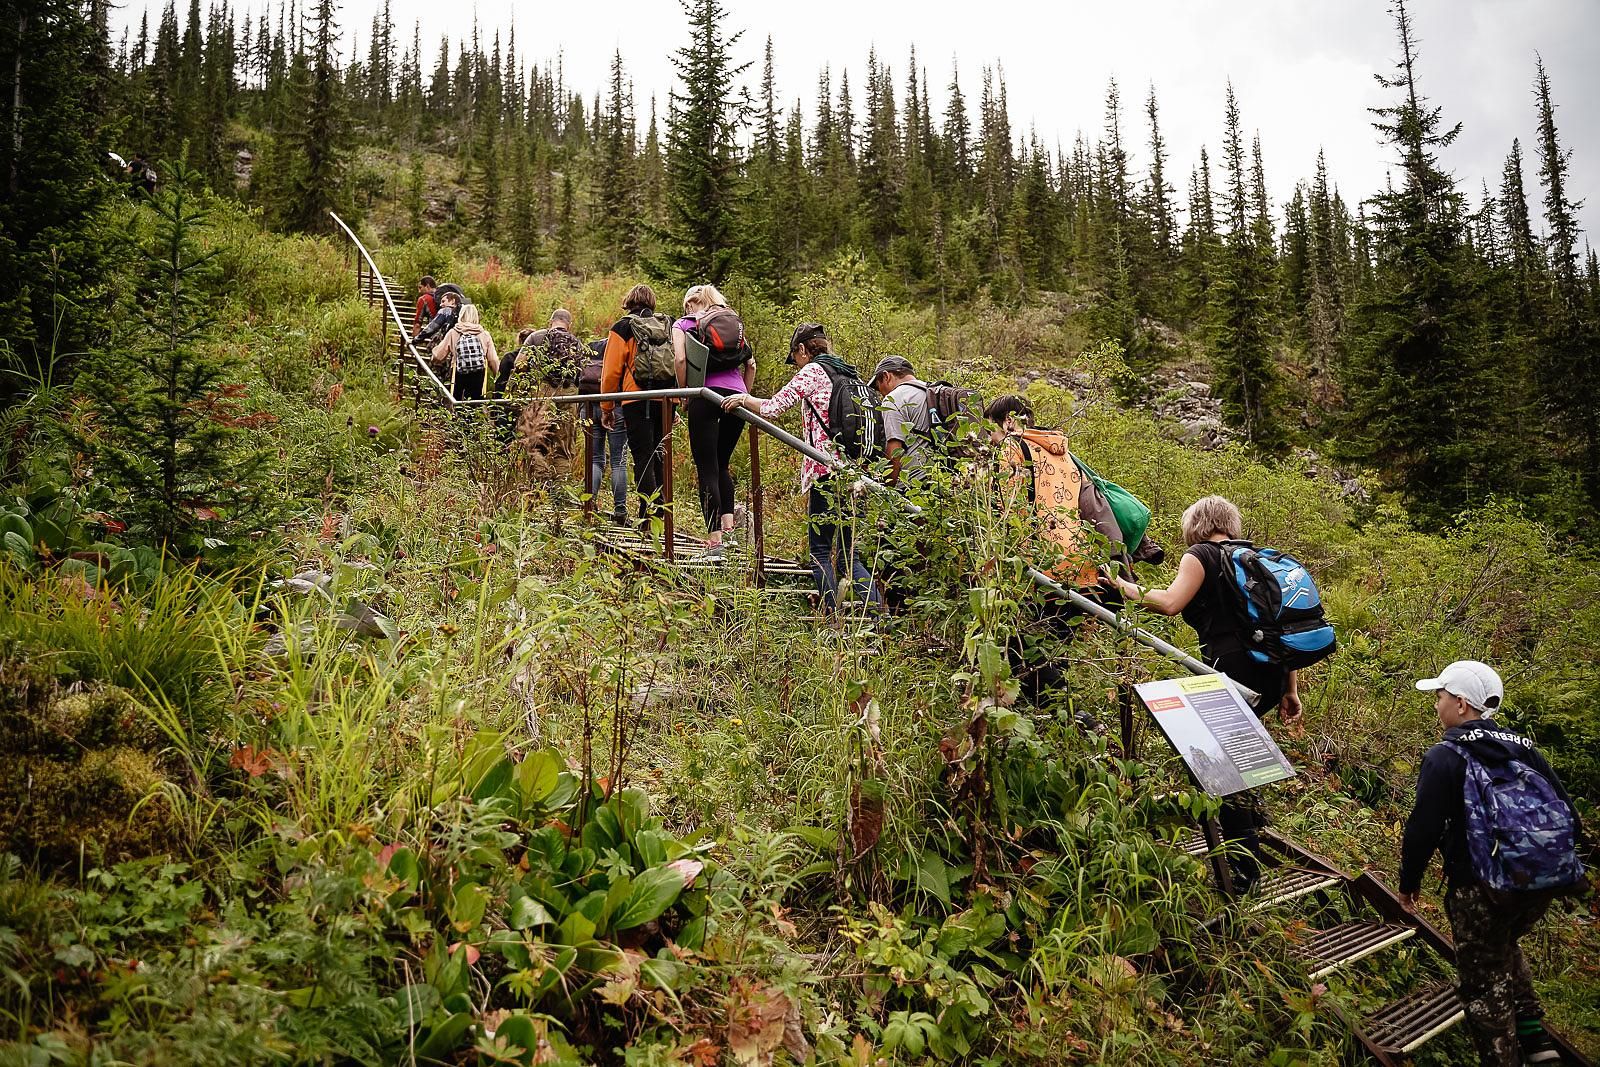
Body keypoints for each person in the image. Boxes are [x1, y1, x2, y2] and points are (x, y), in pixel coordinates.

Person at [1109, 494, 1304, 892]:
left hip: (1229, 673)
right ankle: (1251, 826)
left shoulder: (1201, 554)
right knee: (1232, 757)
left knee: (1221, 769)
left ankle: (1244, 875)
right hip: (1268, 677)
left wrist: (1121, 586)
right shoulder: (1255, 557)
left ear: (1195, 525)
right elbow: (1283, 629)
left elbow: (1169, 603)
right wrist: (1289, 689)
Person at [1398, 661, 1583, 1067]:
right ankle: (1537, 1042)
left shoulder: (1445, 755)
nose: (1436, 705)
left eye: (1440, 696)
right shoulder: (1525, 747)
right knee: (1504, 945)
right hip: (1537, 882)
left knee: (1482, 977)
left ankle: (1502, 1057)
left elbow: (1423, 828)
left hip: (1480, 886)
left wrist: (1408, 881)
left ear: (1462, 704)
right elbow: (1568, 813)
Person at [721, 324, 881, 613]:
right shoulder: (848, 373)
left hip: (826, 471)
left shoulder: (813, 371)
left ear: (803, 350)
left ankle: (833, 618)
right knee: (849, 558)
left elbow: (773, 408)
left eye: (795, 356)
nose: (795, 362)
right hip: (857, 474)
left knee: (820, 550)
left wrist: (743, 398)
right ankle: (881, 621)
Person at [676, 284, 754, 560]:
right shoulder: (732, 321)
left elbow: (681, 359)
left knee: (706, 467)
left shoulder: (684, 324)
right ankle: (730, 532)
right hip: (738, 398)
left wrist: (685, 394)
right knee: (722, 464)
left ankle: (714, 541)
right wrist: (744, 395)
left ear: (689, 304)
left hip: (705, 395)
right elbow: (751, 364)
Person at [600, 285, 674, 526]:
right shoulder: (667, 325)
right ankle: (660, 509)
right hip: (666, 399)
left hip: (636, 398)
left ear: (628, 302)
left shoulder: (623, 327)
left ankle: (650, 513)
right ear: (651, 303)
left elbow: (611, 372)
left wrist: (607, 408)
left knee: (643, 456)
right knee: (660, 455)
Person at [579, 337, 629, 525]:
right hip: (616, 407)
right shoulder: (622, 347)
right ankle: (620, 510)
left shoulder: (591, 347)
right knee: (619, 461)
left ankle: (589, 506)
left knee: (595, 459)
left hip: (589, 406)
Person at [870, 355, 932, 485]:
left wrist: (888, 488)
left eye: (878, 386)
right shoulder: (930, 390)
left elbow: (894, 452)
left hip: (915, 484)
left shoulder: (893, 399)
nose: (881, 393)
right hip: (943, 478)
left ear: (886, 376)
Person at [431, 302, 500, 403]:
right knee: (476, 403)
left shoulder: (453, 332)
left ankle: (457, 416)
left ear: (461, 315)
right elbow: (493, 359)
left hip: (458, 373)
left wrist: (434, 360)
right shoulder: (484, 335)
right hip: (479, 374)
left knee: (457, 401)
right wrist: (497, 375)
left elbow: (438, 355)